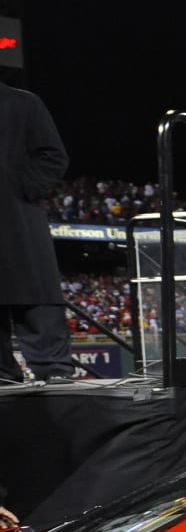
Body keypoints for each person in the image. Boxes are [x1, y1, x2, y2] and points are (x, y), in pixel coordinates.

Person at [0, 82, 78, 384]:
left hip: (17, 221)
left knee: (36, 301)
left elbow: (53, 155)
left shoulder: (23, 102)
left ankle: (56, 380)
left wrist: (18, 189)